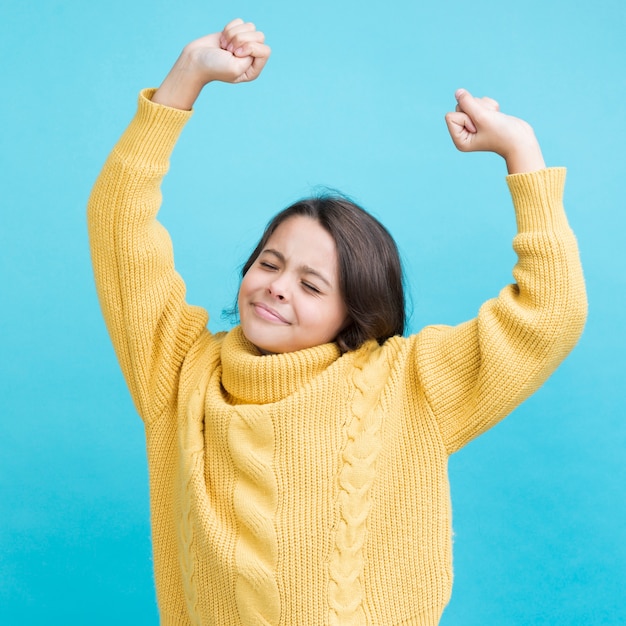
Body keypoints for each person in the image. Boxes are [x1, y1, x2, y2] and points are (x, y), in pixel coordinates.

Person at [88, 18, 587, 626]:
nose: (275, 286)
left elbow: (551, 312)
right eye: (269, 263)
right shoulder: (179, 372)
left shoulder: (409, 384)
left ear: (353, 312)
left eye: (310, 284)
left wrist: (521, 152)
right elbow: (119, 228)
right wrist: (185, 78)